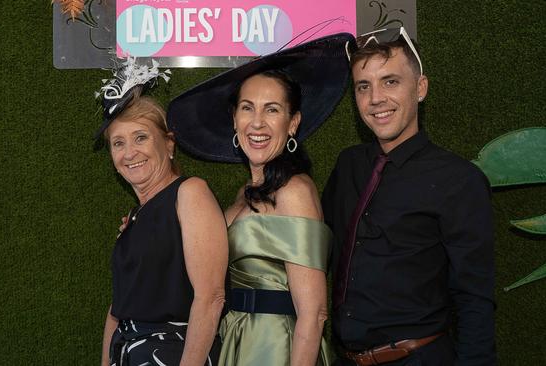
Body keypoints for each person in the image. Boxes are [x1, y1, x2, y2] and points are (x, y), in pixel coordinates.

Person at [167, 33, 355, 366]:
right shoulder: (245, 191)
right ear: (235, 120)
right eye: (247, 108)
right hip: (237, 340)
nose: (257, 122)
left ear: (292, 123)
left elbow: (313, 313)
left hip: (277, 347)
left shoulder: (294, 191)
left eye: (272, 110)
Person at [322, 27, 496, 366]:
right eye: (363, 86)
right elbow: (315, 246)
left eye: (390, 82)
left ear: (420, 88)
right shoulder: (349, 165)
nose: (375, 99)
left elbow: (474, 299)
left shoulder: (459, 180)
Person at [96, 65, 228, 366]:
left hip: (172, 354)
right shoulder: (135, 216)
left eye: (140, 137)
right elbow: (118, 308)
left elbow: (210, 298)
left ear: (169, 144)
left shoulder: (190, 193)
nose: (129, 152)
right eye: (118, 143)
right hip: (127, 353)